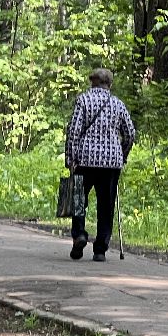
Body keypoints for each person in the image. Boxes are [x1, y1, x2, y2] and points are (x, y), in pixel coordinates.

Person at [64, 67, 135, 262]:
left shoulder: (83, 100)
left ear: (92, 82)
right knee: (106, 205)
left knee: (78, 201)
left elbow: (73, 132)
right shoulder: (118, 104)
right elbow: (130, 134)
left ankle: (79, 235)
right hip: (111, 163)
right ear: (110, 84)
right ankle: (100, 250)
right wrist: (122, 154)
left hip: (84, 160)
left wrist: (70, 159)